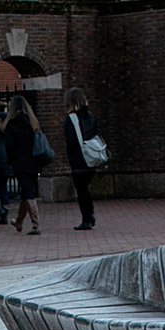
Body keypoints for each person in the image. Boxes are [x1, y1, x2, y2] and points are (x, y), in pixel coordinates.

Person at [4, 94, 45, 234]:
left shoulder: (12, 124)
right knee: (26, 192)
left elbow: (9, 145)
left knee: (28, 192)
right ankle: (19, 221)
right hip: (34, 160)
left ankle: (36, 224)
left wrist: (9, 161)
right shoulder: (33, 122)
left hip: (20, 162)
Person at [62, 87, 102, 230]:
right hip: (92, 158)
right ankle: (89, 214)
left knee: (81, 190)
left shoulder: (71, 119)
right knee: (85, 189)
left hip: (79, 159)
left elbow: (71, 142)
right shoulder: (90, 116)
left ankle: (87, 218)